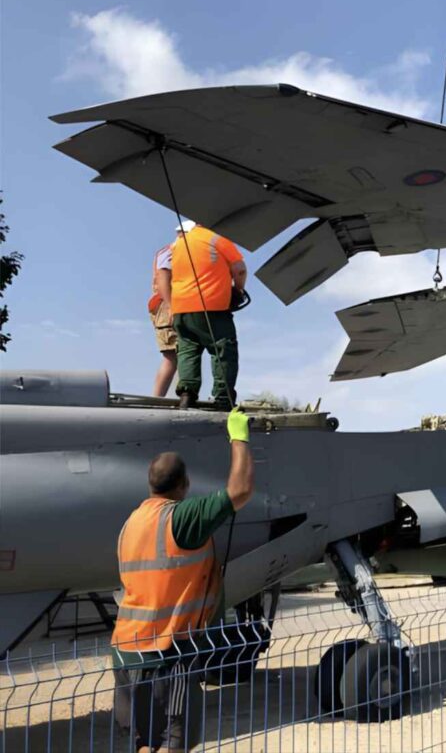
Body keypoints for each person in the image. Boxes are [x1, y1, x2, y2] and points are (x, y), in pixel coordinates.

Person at [112, 408, 253, 753]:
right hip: (167, 654)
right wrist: (240, 437)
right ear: (184, 485)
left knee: (142, 743)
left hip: (125, 651)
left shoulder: (131, 523)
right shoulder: (181, 517)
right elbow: (240, 491)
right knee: (174, 743)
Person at [169, 222, 247, 410]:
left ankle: (187, 394)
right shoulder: (218, 238)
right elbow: (240, 269)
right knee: (223, 349)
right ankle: (223, 398)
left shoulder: (178, 243)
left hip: (181, 308)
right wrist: (238, 289)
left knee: (188, 350)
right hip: (210, 306)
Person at [150, 237, 177, 397]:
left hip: (169, 303)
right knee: (172, 356)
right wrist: (171, 305)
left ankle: (183, 398)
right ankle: (157, 399)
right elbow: (163, 276)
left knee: (182, 356)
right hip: (167, 304)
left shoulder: (171, 249)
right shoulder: (172, 250)